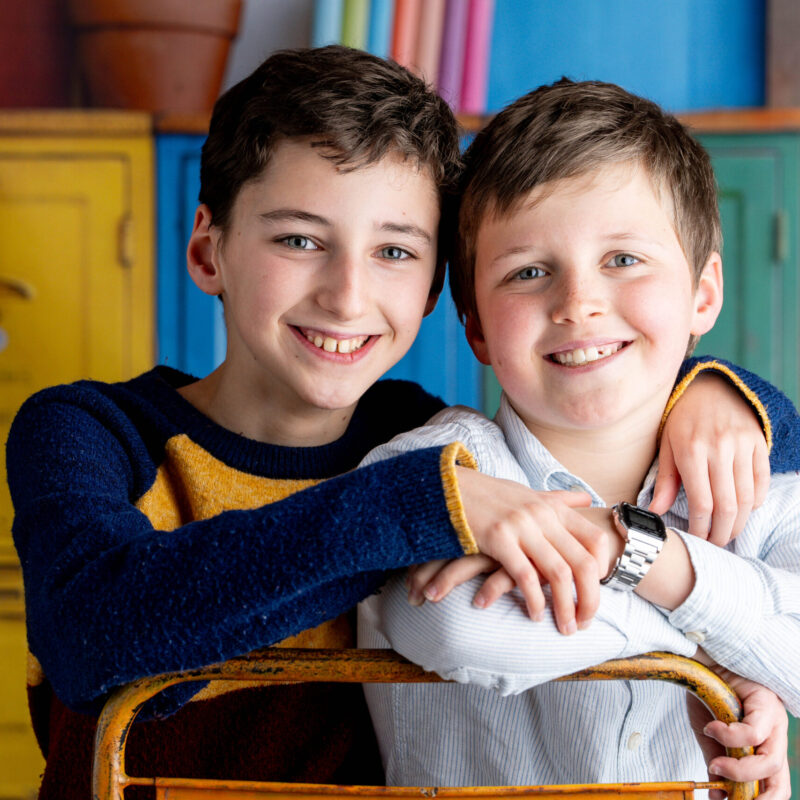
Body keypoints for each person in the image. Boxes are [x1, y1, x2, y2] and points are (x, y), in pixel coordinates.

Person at [5, 48, 796, 798]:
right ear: (209, 251)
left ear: (433, 292)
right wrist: (424, 508)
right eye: (299, 239)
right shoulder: (98, 432)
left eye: (394, 251)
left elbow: (632, 401)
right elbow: (91, 635)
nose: (347, 296)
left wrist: (720, 390)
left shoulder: (416, 433)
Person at [358, 78, 800, 798]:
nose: (578, 304)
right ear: (475, 328)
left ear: (704, 293)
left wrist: (628, 547)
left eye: (624, 259)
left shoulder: (764, 490)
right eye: (529, 272)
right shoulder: (437, 466)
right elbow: (458, 631)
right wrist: (715, 646)